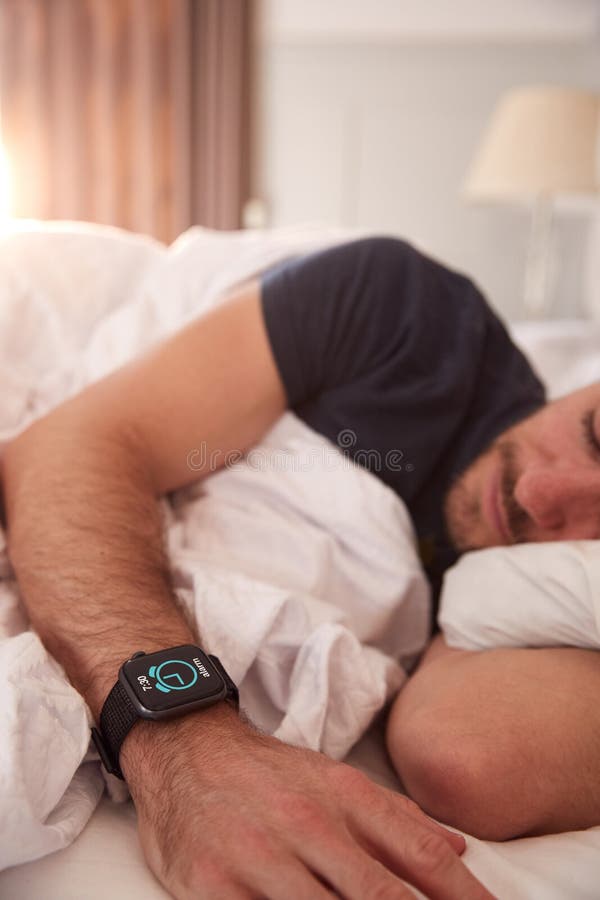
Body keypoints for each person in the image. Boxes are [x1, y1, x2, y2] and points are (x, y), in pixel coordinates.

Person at [3, 236, 600, 899]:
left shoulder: (544, 591)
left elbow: (467, 754)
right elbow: (69, 446)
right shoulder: (411, 314)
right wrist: (185, 741)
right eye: (595, 434)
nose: (539, 498)